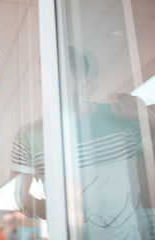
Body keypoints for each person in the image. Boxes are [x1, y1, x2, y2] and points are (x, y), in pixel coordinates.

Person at [11, 47, 155, 239]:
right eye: (44, 83)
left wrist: (145, 117)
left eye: (57, 81)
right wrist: (55, 209)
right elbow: (21, 197)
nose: (47, 90)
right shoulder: (28, 136)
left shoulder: (121, 118)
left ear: (84, 84)